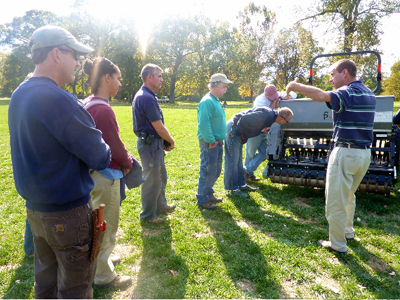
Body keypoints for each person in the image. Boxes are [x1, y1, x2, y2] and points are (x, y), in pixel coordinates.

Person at [8, 25, 111, 298]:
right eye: (74, 54)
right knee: (75, 290)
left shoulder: (19, 94)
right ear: (56, 53)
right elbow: (100, 156)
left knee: (45, 286)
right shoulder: (59, 99)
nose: (78, 62)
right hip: (68, 214)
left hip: (36, 214)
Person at [286, 59, 376, 254]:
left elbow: (320, 95)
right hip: (364, 155)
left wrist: (294, 86)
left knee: (336, 200)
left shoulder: (346, 93)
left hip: (345, 152)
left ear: (344, 73)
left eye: (332, 74)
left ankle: (337, 244)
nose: (330, 78)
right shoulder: (369, 94)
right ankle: (348, 232)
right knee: (349, 195)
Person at [83, 57, 133, 289]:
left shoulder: (89, 103)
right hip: (106, 176)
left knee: (97, 223)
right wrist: (128, 161)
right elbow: (114, 146)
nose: (120, 83)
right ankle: (103, 275)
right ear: (106, 78)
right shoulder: (102, 109)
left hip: (93, 174)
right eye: (118, 78)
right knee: (106, 225)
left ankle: (102, 262)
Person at [132, 64, 176, 223]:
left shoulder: (147, 95)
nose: (162, 80)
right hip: (150, 145)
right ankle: (148, 215)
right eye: (159, 76)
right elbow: (158, 126)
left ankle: (160, 206)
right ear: (149, 77)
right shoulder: (146, 97)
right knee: (152, 180)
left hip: (153, 144)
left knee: (160, 176)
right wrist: (170, 140)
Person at [224, 107, 293, 197]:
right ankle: (233, 189)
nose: (285, 123)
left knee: (238, 161)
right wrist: (241, 135)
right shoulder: (266, 115)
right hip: (234, 130)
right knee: (232, 161)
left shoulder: (271, 118)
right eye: (287, 121)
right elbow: (244, 119)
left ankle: (242, 184)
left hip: (238, 131)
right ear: (282, 118)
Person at [244, 85, 295, 181]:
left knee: (264, 152)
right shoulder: (260, 101)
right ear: (266, 95)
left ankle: (247, 171)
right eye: (273, 97)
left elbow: (293, 94)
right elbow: (264, 116)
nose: (275, 98)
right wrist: (273, 105)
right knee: (250, 153)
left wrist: (283, 97)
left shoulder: (276, 95)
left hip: (267, 130)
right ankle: (246, 175)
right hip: (255, 130)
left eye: (276, 96)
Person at [196, 73, 232, 210]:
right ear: (215, 85)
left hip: (216, 143)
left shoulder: (215, 100)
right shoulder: (207, 101)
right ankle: (202, 199)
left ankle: (209, 193)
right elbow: (203, 124)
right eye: (224, 86)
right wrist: (211, 141)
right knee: (207, 171)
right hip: (210, 144)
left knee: (215, 171)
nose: (226, 89)